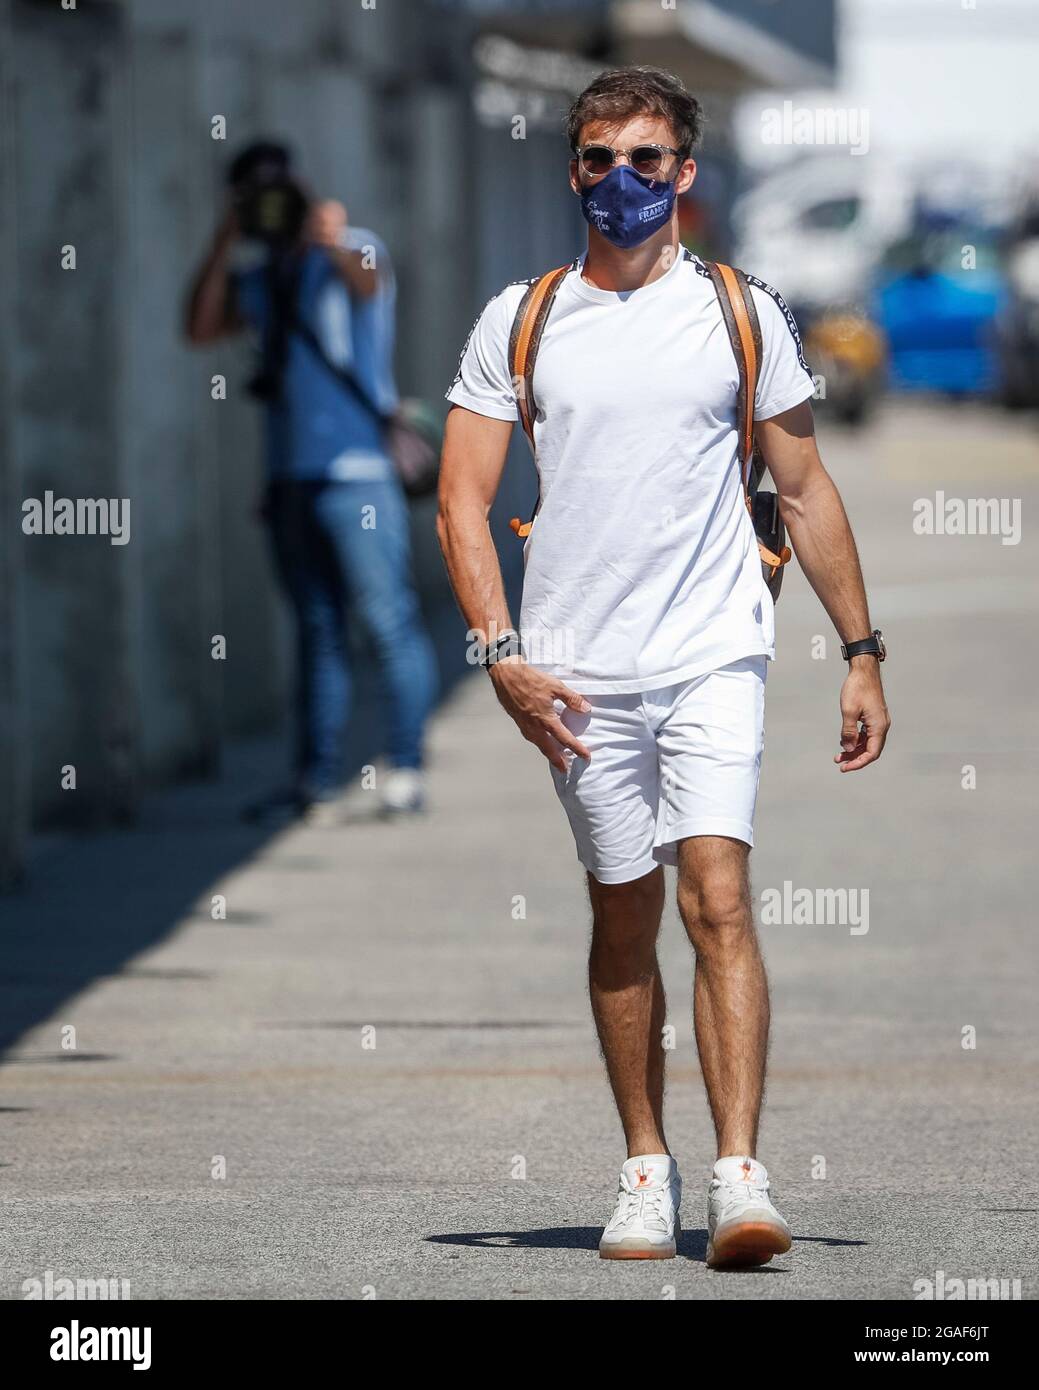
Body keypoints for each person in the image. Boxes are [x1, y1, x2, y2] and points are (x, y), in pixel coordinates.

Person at [437, 68, 890, 1266]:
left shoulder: (741, 312)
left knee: (717, 894)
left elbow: (802, 486)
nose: (622, 181)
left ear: (686, 172)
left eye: (647, 160)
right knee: (622, 912)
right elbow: (462, 501)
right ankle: (647, 1165)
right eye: (598, 159)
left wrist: (859, 650)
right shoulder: (520, 319)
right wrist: (501, 656)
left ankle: (741, 1177)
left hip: (712, 650)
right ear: (572, 168)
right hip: (578, 668)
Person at [185, 141, 437, 823]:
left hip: (359, 478)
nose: (269, 205)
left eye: (276, 192)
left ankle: (406, 767)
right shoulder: (261, 274)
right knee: (316, 632)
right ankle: (315, 780)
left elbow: (365, 279)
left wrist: (321, 237)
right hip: (290, 480)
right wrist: (225, 240)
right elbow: (200, 327)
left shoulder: (351, 246)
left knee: (388, 621)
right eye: (251, 197)